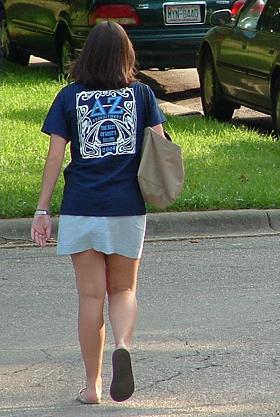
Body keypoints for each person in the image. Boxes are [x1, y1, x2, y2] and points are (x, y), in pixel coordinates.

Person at [31, 21, 166, 404]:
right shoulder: (142, 94)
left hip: (81, 207)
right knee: (123, 290)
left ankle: (92, 387)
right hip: (127, 207)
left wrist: (42, 209)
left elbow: (54, 157)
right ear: (126, 55)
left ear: (87, 55)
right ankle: (122, 345)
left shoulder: (68, 97)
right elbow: (160, 147)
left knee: (90, 298)